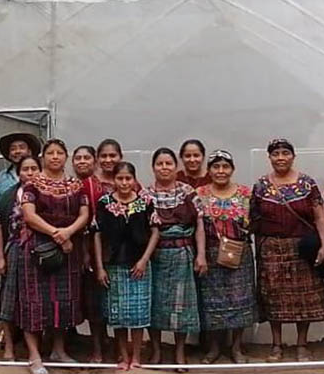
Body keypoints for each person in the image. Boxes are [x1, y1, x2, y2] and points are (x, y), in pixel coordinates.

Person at [252, 138, 324, 362]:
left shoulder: (307, 183)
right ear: (269, 157)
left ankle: (302, 344)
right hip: (271, 249)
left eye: (285, 153)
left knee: (303, 298)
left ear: (293, 156)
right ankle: (276, 345)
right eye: (275, 154)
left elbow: (319, 216)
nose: (280, 158)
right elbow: (254, 220)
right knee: (273, 296)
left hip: (302, 248)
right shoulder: (261, 186)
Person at [16, 139, 90, 374]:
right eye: (50, 153)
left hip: (69, 248)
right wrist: (56, 233)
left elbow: (84, 214)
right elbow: (29, 215)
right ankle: (35, 356)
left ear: (66, 156)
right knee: (34, 302)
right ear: (43, 157)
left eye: (59, 153)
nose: (55, 157)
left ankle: (59, 350)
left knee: (63, 301)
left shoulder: (75, 185)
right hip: (37, 248)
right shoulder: (33, 184)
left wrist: (68, 232)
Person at [94, 162, 159, 371]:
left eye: (128, 178)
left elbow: (155, 232)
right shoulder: (104, 203)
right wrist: (100, 267)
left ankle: (136, 356)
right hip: (113, 266)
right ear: (114, 180)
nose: (124, 182)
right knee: (118, 315)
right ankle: (123, 356)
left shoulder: (145, 201)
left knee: (139, 314)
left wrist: (144, 260)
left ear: (134, 179)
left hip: (139, 266)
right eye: (120, 178)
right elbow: (97, 235)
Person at [144, 147, 204, 367]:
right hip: (155, 256)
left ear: (176, 166)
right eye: (159, 164)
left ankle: (180, 352)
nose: (164, 168)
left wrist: (201, 255)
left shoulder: (187, 191)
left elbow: (199, 224)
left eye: (168, 163)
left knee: (182, 305)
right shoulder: (145, 195)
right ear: (153, 168)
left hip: (182, 255)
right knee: (154, 304)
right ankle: (156, 350)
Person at [195, 149, 256, 364]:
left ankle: (237, 347)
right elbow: (197, 227)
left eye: (225, 166)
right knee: (212, 302)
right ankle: (214, 348)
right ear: (209, 170)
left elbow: (255, 222)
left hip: (239, 254)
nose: (221, 171)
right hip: (210, 254)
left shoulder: (246, 194)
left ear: (232, 169)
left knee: (241, 300)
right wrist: (200, 255)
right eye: (216, 167)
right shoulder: (199, 194)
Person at [0, 156, 43, 360]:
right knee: (9, 299)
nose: (29, 173)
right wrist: (0, 257)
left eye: (34, 168)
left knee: (35, 301)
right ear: (19, 172)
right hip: (14, 250)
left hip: (41, 252)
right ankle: (9, 346)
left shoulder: (47, 193)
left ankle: (37, 348)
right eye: (25, 169)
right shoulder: (9, 195)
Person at [80, 138, 123, 363]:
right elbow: (84, 220)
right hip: (93, 247)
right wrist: (86, 252)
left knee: (119, 301)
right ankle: (97, 347)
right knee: (94, 301)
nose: (108, 160)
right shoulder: (89, 184)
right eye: (104, 156)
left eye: (112, 155)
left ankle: (119, 347)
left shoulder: (128, 181)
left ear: (120, 157)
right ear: (97, 159)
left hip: (122, 252)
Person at [0, 133, 43, 208]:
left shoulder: (41, 174)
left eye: (22, 147)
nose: (17, 151)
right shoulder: (2, 176)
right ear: (9, 154)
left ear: (29, 151)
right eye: (13, 149)